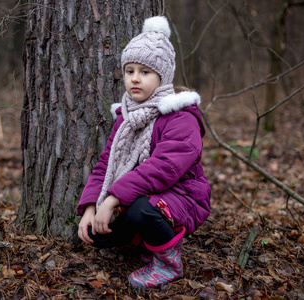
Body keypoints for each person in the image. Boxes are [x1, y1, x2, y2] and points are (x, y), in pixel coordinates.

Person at [76, 16, 211, 290]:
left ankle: (168, 263)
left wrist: (112, 200)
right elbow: (106, 164)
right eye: (129, 71)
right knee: (95, 234)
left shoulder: (181, 117)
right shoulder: (126, 117)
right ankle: (145, 240)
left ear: (162, 76)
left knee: (141, 210)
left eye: (145, 72)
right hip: (137, 195)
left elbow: (162, 168)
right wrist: (91, 206)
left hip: (183, 196)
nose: (135, 79)